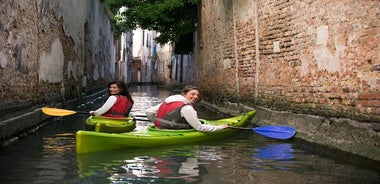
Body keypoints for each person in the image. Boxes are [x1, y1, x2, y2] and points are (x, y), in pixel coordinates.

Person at [145, 85, 228, 132]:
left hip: (158, 129)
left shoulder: (168, 101)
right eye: (192, 94)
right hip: (172, 132)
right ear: (184, 94)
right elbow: (199, 127)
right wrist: (220, 128)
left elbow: (149, 112)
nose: (196, 97)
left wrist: (157, 122)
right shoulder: (186, 108)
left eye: (197, 95)